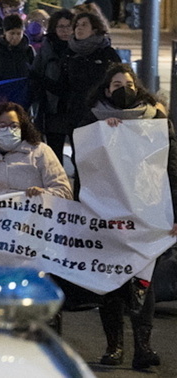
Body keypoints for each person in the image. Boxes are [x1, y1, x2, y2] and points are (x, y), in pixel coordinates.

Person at [76, 64, 177, 369]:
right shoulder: (92, 122)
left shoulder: (156, 121)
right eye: (116, 84)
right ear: (106, 90)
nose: (123, 88)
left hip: (146, 217)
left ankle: (143, 347)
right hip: (108, 217)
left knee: (142, 282)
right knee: (111, 281)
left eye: (128, 83)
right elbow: (85, 171)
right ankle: (114, 347)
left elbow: (170, 169)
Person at [54, 11, 120, 192]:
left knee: (101, 161)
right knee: (80, 160)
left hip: (101, 115)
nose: (79, 28)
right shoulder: (69, 53)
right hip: (76, 115)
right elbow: (63, 85)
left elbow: (118, 80)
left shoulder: (107, 53)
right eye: (77, 25)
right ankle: (80, 202)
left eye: (84, 25)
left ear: (95, 29)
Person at [29, 9, 74, 162]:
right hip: (52, 110)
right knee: (54, 156)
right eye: (61, 27)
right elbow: (36, 75)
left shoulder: (79, 48)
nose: (65, 31)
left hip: (75, 109)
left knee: (80, 155)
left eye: (68, 26)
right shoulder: (47, 49)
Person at [0, 14, 34, 83]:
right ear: (5, 32)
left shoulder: (28, 50)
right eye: (12, 33)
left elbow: (35, 71)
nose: (15, 37)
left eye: (19, 34)